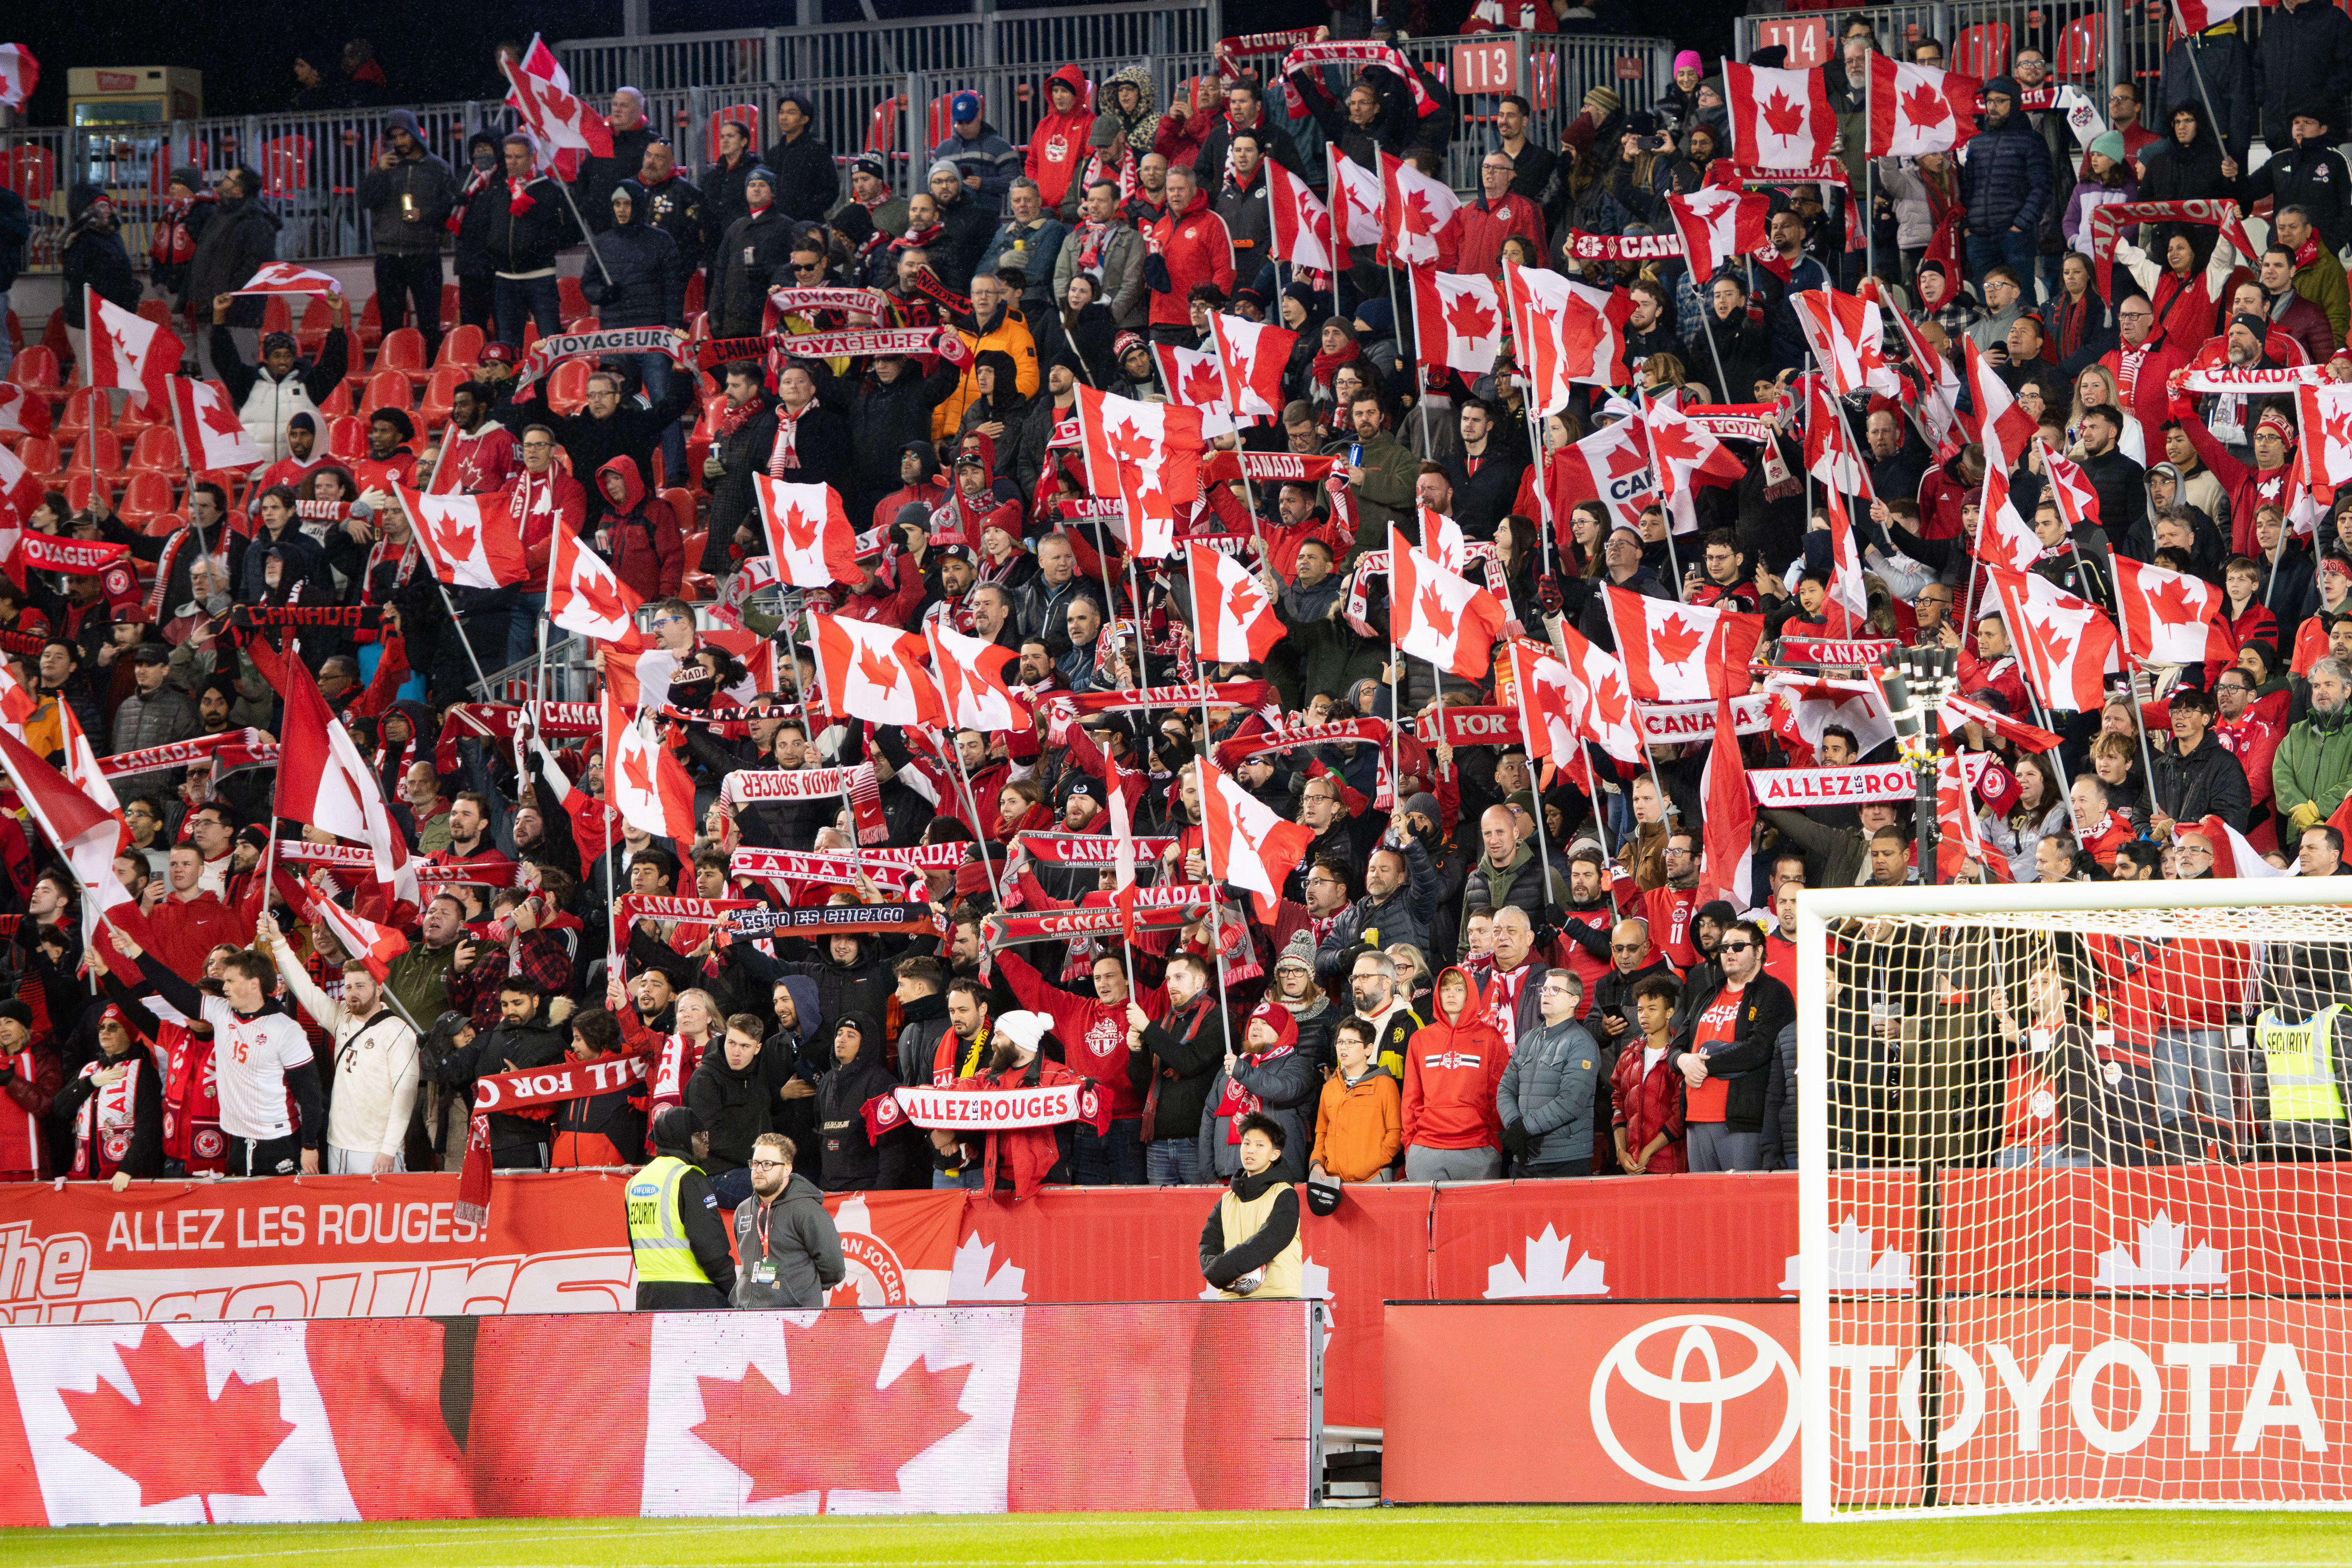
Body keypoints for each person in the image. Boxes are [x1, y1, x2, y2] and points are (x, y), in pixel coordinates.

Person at [119, 928, 324, 1177]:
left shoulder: (286, 1029)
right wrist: (136, 951)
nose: (223, 987)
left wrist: (309, 1145)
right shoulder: (221, 1011)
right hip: (237, 1142)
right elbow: (174, 988)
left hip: (278, 1141)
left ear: (254, 984)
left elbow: (310, 1092)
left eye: (230, 981)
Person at [258, 912, 419, 1174]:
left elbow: (405, 1096)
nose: (352, 995)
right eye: (348, 988)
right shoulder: (340, 1018)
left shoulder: (398, 1032)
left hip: (377, 1150)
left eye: (360, 987)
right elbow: (305, 989)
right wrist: (278, 942)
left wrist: (390, 1149)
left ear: (379, 988)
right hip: (337, 1143)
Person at [1668, 919, 1795, 1173]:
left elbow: (1760, 1049)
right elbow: (1677, 1045)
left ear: (1759, 951)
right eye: (1725, 947)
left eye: (1738, 946)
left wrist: (1703, 1065)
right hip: (1695, 1118)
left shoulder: (1774, 993)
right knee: (1705, 1207)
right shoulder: (1707, 995)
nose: (1729, 952)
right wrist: (1683, 1062)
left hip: (1743, 1121)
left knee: (1743, 1206)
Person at [360, 109, 457, 365]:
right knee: (390, 320)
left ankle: (432, 369)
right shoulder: (385, 167)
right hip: (388, 253)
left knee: (429, 320)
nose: (400, 142)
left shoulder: (438, 168)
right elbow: (367, 201)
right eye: (395, 137)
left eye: (404, 135)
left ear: (415, 133)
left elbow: (451, 209)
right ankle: (392, 370)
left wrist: (423, 215)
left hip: (425, 253)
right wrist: (378, 172)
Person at [1400, 965, 1507, 1181]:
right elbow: (1411, 1096)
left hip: (1477, 1147)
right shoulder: (1420, 1039)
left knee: (1476, 1216)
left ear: (1470, 993)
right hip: (1426, 1147)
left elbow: (1499, 1094)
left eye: (1459, 989)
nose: (1451, 994)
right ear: (1438, 994)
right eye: (1446, 989)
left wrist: (1495, 1139)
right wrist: (1410, 1143)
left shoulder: (1491, 1038)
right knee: (1427, 1216)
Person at [627, 1105, 738, 1310]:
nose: (707, 1140)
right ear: (682, 1138)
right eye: (700, 1135)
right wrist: (735, 1291)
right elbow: (711, 1247)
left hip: (648, 1296)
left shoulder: (634, 1182)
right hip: (694, 1297)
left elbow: (636, 1246)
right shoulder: (688, 1177)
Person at [1497, 968, 1600, 1178]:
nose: (1545, 994)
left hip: (1565, 1160)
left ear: (1574, 1000)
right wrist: (1515, 1125)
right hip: (1524, 1157)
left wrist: (1524, 1129)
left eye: (1555, 990)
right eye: (1544, 990)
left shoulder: (1582, 1042)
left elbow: (1571, 1101)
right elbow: (1505, 1088)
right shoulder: (1527, 1039)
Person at [731, 1132, 847, 1309]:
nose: (759, 1170)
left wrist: (799, 1290)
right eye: (755, 1163)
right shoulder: (743, 1210)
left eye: (768, 1164)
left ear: (787, 1169)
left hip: (795, 1321)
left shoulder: (808, 1211)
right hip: (749, 1318)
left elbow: (835, 1269)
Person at [1199, 1111, 1302, 1300]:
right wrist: (1220, 1275)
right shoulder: (1226, 1200)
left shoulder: (1285, 1194)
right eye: (1246, 1143)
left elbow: (1269, 1241)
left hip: (1277, 1297)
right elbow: (1208, 1245)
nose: (1250, 1150)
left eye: (1260, 1145)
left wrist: (1221, 1271)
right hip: (1230, 1299)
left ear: (1275, 1154)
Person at [1309, 1014, 1402, 1185]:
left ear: (1368, 1049)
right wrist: (1316, 1163)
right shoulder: (1330, 1087)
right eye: (1340, 1042)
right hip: (1333, 1181)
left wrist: (1372, 1164)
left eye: (1352, 1042)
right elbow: (1322, 1133)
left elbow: (1395, 1133)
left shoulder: (1385, 1084)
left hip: (1374, 1178)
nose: (1344, 1047)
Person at [1612, 973, 1685, 1174]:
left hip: (1667, 1164)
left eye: (1652, 1009)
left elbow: (1681, 1116)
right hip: (1631, 1163)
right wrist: (1621, 1151)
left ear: (1670, 1011)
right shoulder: (1629, 1054)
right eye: (1640, 1010)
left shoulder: (1681, 1056)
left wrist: (1647, 1153)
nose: (1644, 1016)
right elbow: (1619, 1105)